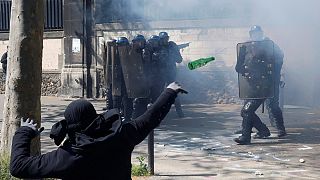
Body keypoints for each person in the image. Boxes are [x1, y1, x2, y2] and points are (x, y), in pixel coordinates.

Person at [10, 82, 187, 180]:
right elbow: (150, 118)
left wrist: (24, 132)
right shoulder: (122, 136)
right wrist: (169, 92)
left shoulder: (66, 156)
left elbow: (18, 167)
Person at [234, 25, 286, 145]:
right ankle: (262, 130)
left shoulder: (269, 45)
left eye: (257, 33)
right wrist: (245, 72)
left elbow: (279, 58)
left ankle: (279, 129)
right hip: (252, 83)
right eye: (253, 33)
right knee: (245, 111)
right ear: (251, 34)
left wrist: (276, 75)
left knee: (272, 106)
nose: (255, 35)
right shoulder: (245, 47)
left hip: (266, 83)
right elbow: (239, 66)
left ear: (261, 33)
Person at [158, 32, 184, 117]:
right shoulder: (157, 47)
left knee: (173, 91)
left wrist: (172, 54)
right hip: (160, 74)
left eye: (166, 38)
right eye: (163, 38)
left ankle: (179, 111)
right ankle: (159, 113)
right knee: (158, 93)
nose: (165, 40)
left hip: (170, 73)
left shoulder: (172, 46)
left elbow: (179, 60)